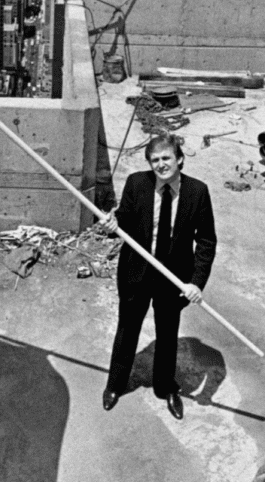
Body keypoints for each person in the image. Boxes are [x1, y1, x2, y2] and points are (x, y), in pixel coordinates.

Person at [99, 133, 217, 419]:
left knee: (167, 334)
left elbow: (206, 242)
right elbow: (125, 219)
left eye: (166, 158)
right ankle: (115, 384)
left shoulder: (197, 192)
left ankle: (166, 387)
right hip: (135, 273)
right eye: (155, 160)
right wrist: (112, 222)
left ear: (179, 159)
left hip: (174, 278)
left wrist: (196, 283)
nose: (161, 165)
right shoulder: (137, 183)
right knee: (127, 328)